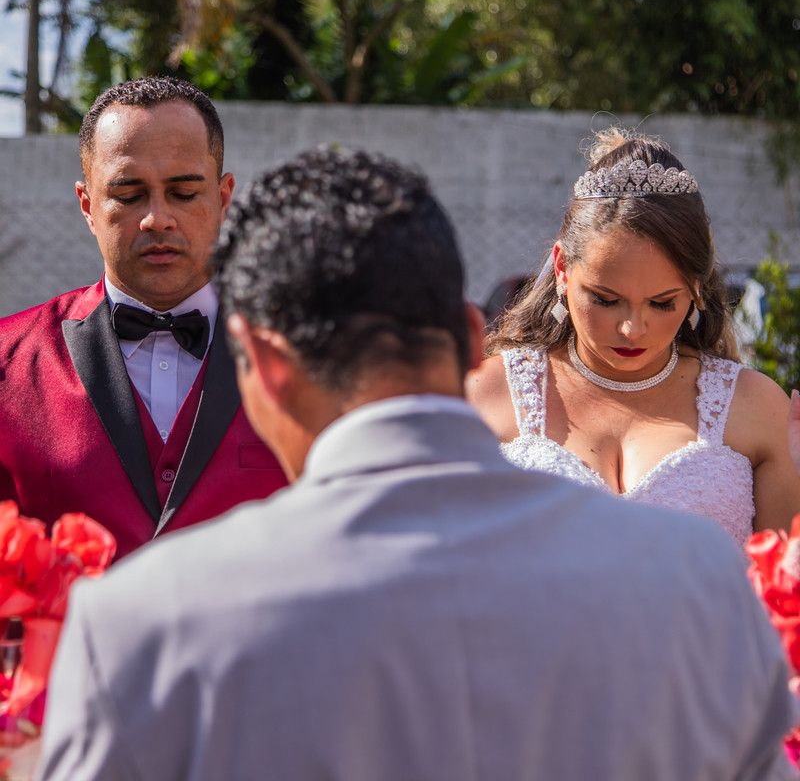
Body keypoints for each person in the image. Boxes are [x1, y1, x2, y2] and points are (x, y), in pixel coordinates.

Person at [38, 146, 798, 781]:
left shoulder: (133, 626)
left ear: (262, 366)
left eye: (664, 302)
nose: (634, 325)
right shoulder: (701, 578)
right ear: (474, 343)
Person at [468, 128, 800, 546]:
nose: (632, 329)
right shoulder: (485, 395)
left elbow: (784, 597)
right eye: (605, 300)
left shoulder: (758, 409)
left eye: (662, 303)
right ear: (562, 269)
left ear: (697, 287)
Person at [0, 77, 286, 560]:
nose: (157, 219)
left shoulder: (307, 356)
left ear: (224, 198)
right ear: (88, 205)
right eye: (129, 195)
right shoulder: (8, 361)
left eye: (183, 192)